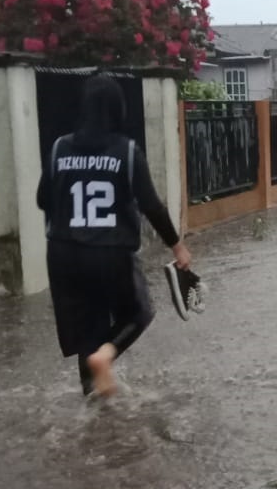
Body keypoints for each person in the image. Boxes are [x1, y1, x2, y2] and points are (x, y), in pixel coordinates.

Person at [39, 75, 193, 397]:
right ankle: (106, 356)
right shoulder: (127, 152)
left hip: (63, 254)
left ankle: (95, 405)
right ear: (117, 109)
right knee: (138, 312)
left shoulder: (59, 148)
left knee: (87, 331)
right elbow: (151, 205)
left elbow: (43, 200)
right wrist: (178, 247)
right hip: (109, 252)